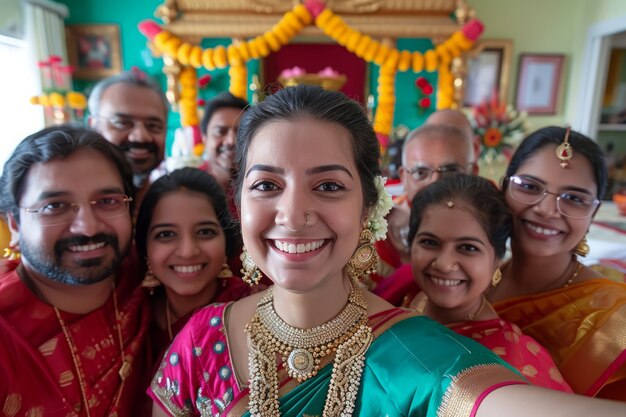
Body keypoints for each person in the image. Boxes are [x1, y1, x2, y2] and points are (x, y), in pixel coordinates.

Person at [148, 86, 626, 416]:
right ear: (239, 203)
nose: (293, 215)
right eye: (267, 184)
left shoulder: (416, 353)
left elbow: (484, 400)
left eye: (329, 185)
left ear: (369, 206)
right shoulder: (201, 336)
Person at [0, 126, 151, 416]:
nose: (88, 227)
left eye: (108, 202)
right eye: (54, 206)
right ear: (15, 225)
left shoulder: (152, 279)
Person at [489, 126, 626, 400]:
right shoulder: (472, 279)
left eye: (574, 199)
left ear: (593, 213)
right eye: (529, 186)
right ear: (505, 189)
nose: (547, 210)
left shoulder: (614, 320)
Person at [405, 174, 571, 392]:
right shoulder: (412, 301)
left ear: (496, 260)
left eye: (468, 248)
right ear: (410, 245)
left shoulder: (512, 362)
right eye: (429, 242)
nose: (444, 264)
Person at [134, 167, 251, 356]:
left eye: (205, 232)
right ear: (144, 246)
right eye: (166, 234)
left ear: (226, 242)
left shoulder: (253, 312)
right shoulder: (131, 319)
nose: (187, 252)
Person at [374, 124, 476, 304]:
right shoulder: (374, 229)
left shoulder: (488, 228)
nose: (435, 184)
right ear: (404, 176)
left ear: (472, 173)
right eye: (421, 172)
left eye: (450, 172)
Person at [88, 70, 169, 203]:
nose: (141, 137)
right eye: (122, 123)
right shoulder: (75, 211)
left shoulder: (168, 207)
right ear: (94, 126)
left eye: (153, 126)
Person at [199, 92, 249, 190]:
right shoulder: (190, 186)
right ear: (205, 139)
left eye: (241, 132)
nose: (231, 141)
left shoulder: (264, 185)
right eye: (220, 132)